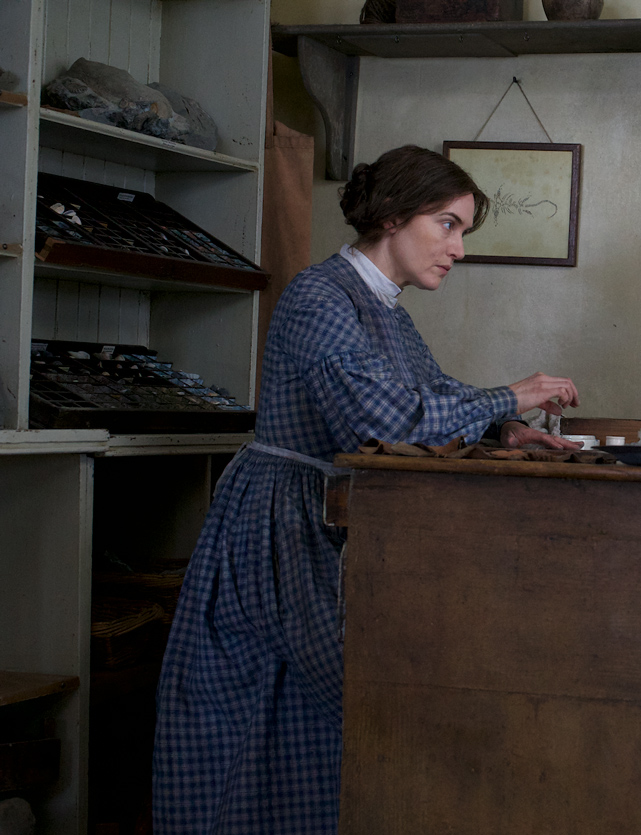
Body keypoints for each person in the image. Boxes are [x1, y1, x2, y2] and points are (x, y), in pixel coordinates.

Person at [153, 145, 580, 833]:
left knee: (315, 724)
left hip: (325, 523)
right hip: (277, 526)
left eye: (462, 230)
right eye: (447, 224)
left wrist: (507, 428)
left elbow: (431, 394)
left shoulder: (387, 311)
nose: (458, 249)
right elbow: (382, 418)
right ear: (390, 216)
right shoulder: (318, 295)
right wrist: (514, 392)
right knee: (289, 707)